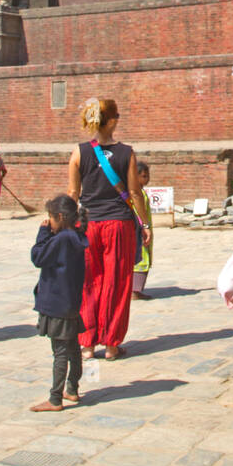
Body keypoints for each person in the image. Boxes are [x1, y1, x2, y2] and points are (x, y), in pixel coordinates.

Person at [67, 98, 150, 360]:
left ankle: (87, 343)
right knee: (117, 282)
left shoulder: (79, 152)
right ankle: (111, 344)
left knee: (89, 282)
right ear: (112, 121)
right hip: (119, 224)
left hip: (89, 222)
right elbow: (135, 191)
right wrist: (145, 224)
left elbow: (73, 192)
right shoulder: (127, 153)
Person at [29, 194, 88, 413]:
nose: (49, 222)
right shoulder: (76, 237)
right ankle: (72, 388)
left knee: (61, 352)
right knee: (73, 348)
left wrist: (43, 233)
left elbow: (38, 257)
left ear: (60, 217)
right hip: (71, 301)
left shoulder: (61, 239)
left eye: (51, 218)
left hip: (57, 303)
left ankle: (55, 398)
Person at [132, 161, 153, 299]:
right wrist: (144, 227)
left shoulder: (141, 192)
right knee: (140, 259)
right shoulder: (135, 193)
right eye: (144, 176)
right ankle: (135, 291)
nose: (147, 179)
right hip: (140, 230)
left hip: (144, 229)